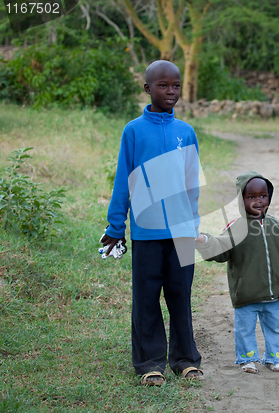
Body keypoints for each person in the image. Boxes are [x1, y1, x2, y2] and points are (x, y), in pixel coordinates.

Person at [100, 60, 203, 385]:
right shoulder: (133, 131)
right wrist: (116, 228)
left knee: (180, 296)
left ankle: (185, 359)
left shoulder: (186, 132)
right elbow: (122, 183)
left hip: (181, 232)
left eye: (175, 85)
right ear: (147, 88)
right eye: (163, 85)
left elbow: (192, 184)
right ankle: (149, 363)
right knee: (146, 299)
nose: (170, 91)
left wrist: (194, 225)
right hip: (145, 233)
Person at [195, 171, 279, 374]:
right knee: (244, 330)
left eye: (262, 196)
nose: (258, 201)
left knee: (276, 328)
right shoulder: (237, 228)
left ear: (268, 197)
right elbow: (221, 249)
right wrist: (204, 241)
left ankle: (274, 359)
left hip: (274, 294)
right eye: (251, 197)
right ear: (240, 200)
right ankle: (247, 360)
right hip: (246, 294)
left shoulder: (274, 225)